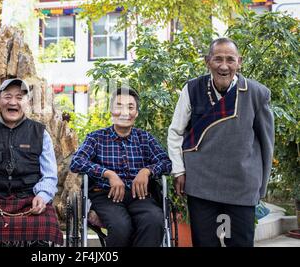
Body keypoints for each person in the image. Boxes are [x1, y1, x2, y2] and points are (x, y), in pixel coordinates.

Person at [167, 37, 275, 247]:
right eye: (217, 59)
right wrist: (179, 171)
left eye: (230, 60)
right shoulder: (192, 89)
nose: (224, 66)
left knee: (241, 243)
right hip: (202, 183)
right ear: (208, 61)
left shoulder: (257, 93)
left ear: (239, 62)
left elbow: (266, 142)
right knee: (204, 243)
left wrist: (261, 186)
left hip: (242, 183)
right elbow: (175, 132)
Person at [0, 78, 63, 247]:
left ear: (27, 102)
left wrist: (42, 197)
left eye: (19, 97)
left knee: (48, 229)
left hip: (29, 199)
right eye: (7, 96)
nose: (13, 102)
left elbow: (50, 176)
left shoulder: (40, 133)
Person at [70, 87, 172, 247]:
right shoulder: (96, 137)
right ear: (111, 111)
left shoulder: (144, 138)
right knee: (120, 226)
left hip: (140, 195)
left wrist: (147, 171)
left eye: (130, 107)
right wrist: (108, 174)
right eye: (119, 106)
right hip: (106, 195)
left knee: (154, 220)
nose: (124, 112)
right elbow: (76, 162)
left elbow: (166, 162)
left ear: (136, 113)